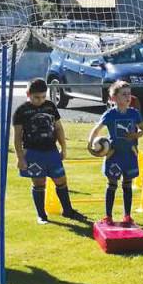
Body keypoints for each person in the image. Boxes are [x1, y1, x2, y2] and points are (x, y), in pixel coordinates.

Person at [13, 78, 86, 224]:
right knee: (39, 182)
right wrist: (20, 158)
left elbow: (58, 128)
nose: (40, 100)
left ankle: (68, 210)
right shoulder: (21, 111)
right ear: (28, 94)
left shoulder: (50, 106)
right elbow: (17, 137)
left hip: (51, 151)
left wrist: (63, 147)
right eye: (36, 97)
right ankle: (41, 215)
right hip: (33, 152)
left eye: (43, 97)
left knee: (61, 180)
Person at [87, 81, 143, 226]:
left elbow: (142, 129)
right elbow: (97, 128)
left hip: (129, 155)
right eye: (124, 94)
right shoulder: (110, 114)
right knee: (112, 184)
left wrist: (135, 135)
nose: (128, 97)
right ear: (114, 98)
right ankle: (108, 216)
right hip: (114, 155)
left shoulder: (134, 113)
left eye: (129, 94)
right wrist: (90, 143)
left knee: (127, 184)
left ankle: (127, 216)